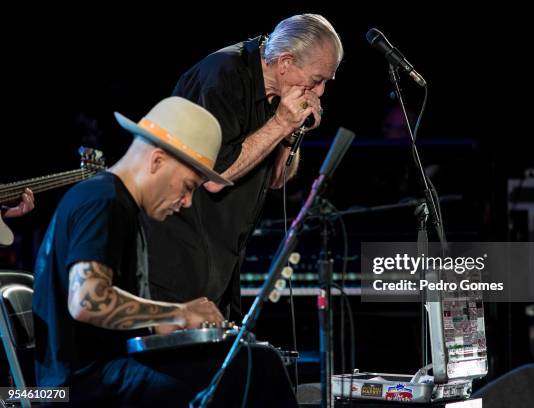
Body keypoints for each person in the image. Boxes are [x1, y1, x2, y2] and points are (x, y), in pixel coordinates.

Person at [33, 97, 232, 405]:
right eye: (189, 186)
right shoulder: (103, 201)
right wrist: (179, 314)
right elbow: (86, 301)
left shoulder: (118, 203)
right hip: (76, 388)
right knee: (237, 376)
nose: (187, 202)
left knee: (228, 365)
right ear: (157, 161)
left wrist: (161, 324)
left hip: (102, 375)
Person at [145, 14, 344, 320]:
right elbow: (214, 177)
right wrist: (279, 123)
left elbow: (279, 178)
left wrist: (291, 133)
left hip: (225, 256)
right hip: (178, 256)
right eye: (317, 80)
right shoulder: (223, 75)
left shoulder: (277, 95)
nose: (318, 92)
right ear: (286, 62)